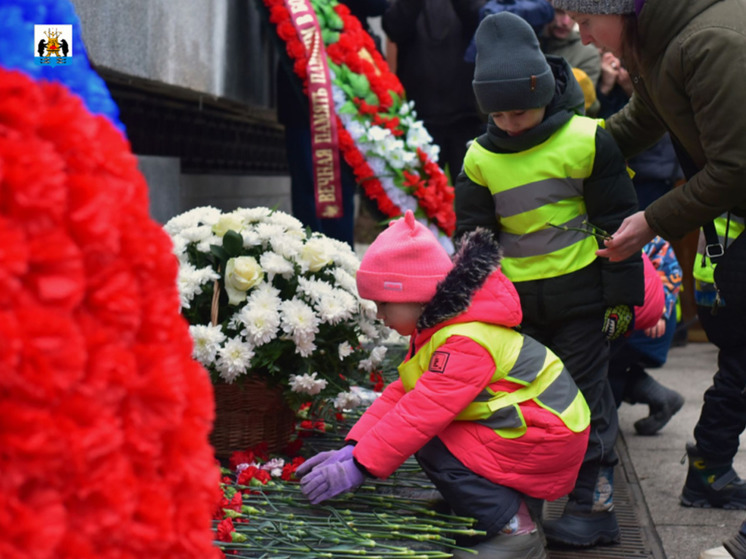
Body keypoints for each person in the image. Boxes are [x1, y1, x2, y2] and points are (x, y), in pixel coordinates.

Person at [549, 0, 746, 554]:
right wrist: (559, 160)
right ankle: (708, 470)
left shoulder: (710, 43)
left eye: (587, 22)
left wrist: (651, 221)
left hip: (732, 203)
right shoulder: (658, 45)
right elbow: (642, 120)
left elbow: (734, 168)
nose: (585, 37)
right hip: (731, 219)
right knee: (738, 341)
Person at [296, 210, 591, 559]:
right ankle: (496, 513)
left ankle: (517, 533)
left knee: (434, 439)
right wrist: (354, 447)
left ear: (416, 295)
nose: (379, 315)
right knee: (430, 434)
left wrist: (360, 466)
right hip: (530, 427)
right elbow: (403, 395)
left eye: (383, 303)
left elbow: (421, 413)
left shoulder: (463, 341)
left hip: (546, 435)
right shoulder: (441, 327)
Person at [453, 12, 644, 548]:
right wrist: (470, 304)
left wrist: (622, 300)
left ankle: (594, 506)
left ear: (544, 91)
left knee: (586, 402)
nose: (512, 122)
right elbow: (474, 240)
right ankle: (521, 507)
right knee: (524, 407)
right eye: (500, 113)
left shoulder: (587, 140)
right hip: (517, 311)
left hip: (584, 302)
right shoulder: (479, 158)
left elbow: (619, 225)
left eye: (521, 109)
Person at [275, 0, 388, 247]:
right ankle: (308, 267)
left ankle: (339, 265)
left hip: (345, 83)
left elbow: (380, 6)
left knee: (339, 188)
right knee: (306, 186)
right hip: (300, 84)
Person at [382, 0, 487, 182]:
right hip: (421, 118)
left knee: (474, 194)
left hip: (467, 114)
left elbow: (481, 21)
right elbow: (393, 28)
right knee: (425, 198)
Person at [608, 236, 684, 436]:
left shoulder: (642, 231)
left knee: (608, 366)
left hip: (650, 320)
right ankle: (662, 398)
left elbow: (670, 271)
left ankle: (605, 429)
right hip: (632, 318)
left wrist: (660, 311)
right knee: (610, 365)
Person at [540, 0, 601, 96]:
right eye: (559, 12)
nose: (566, 22)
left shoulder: (587, 53)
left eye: (572, 15)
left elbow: (580, 101)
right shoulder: (528, 40)